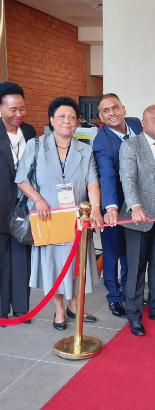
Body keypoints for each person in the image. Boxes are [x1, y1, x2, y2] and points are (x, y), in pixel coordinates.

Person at [15, 96, 103, 330]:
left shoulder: (85, 150)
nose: (67, 121)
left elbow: (93, 182)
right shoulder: (36, 145)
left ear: (77, 122)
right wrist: (38, 199)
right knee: (54, 265)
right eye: (61, 116)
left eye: (72, 117)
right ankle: (59, 310)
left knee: (77, 263)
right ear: (52, 120)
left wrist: (95, 208)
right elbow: (21, 179)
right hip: (49, 217)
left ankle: (74, 305)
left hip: (77, 219)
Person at [119, 105, 155, 336]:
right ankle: (133, 314)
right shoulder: (130, 146)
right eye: (154, 119)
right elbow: (128, 178)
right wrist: (135, 206)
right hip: (138, 219)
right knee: (136, 268)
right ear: (143, 123)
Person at [93, 93, 143, 318]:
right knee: (112, 251)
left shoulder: (136, 124)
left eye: (115, 108)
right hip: (114, 204)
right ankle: (114, 297)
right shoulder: (101, 141)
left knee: (130, 252)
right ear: (100, 116)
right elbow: (107, 175)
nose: (111, 113)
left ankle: (130, 292)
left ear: (123, 108)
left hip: (138, 203)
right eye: (106, 111)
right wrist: (110, 206)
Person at [0, 81, 36, 326]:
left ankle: (22, 310)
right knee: (2, 261)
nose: (19, 115)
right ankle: (2, 311)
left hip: (25, 207)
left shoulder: (30, 132)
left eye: (22, 109)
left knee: (23, 258)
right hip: (1, 205)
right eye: (13, 110)